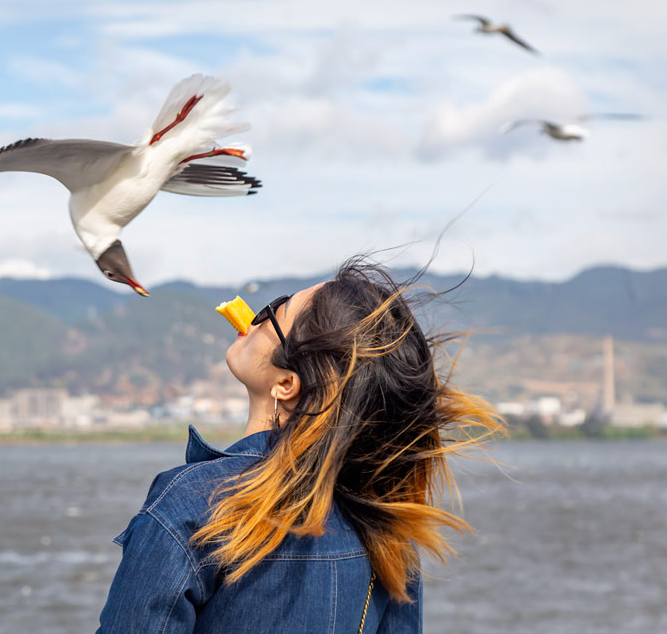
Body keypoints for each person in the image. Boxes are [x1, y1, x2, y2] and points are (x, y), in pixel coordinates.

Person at [97, 259, 503, 633]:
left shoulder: (190, 506)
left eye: (275, 310)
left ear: (286, 384)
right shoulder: (387, 526)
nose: (255, 317)